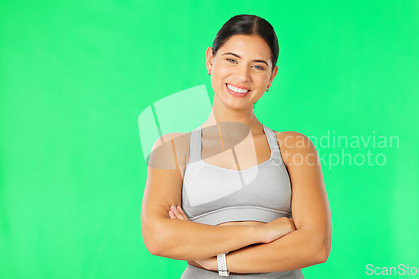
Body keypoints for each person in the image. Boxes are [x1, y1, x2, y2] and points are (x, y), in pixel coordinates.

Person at [141, 14, 332, 278]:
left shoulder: (294, 147)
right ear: (210, 60)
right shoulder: (173, 147)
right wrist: (260, 233)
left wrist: (213, 261)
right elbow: (158, 236)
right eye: (231, 60)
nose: (242, 76)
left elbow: (316, 245)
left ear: (272, 76)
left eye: (258, 66)